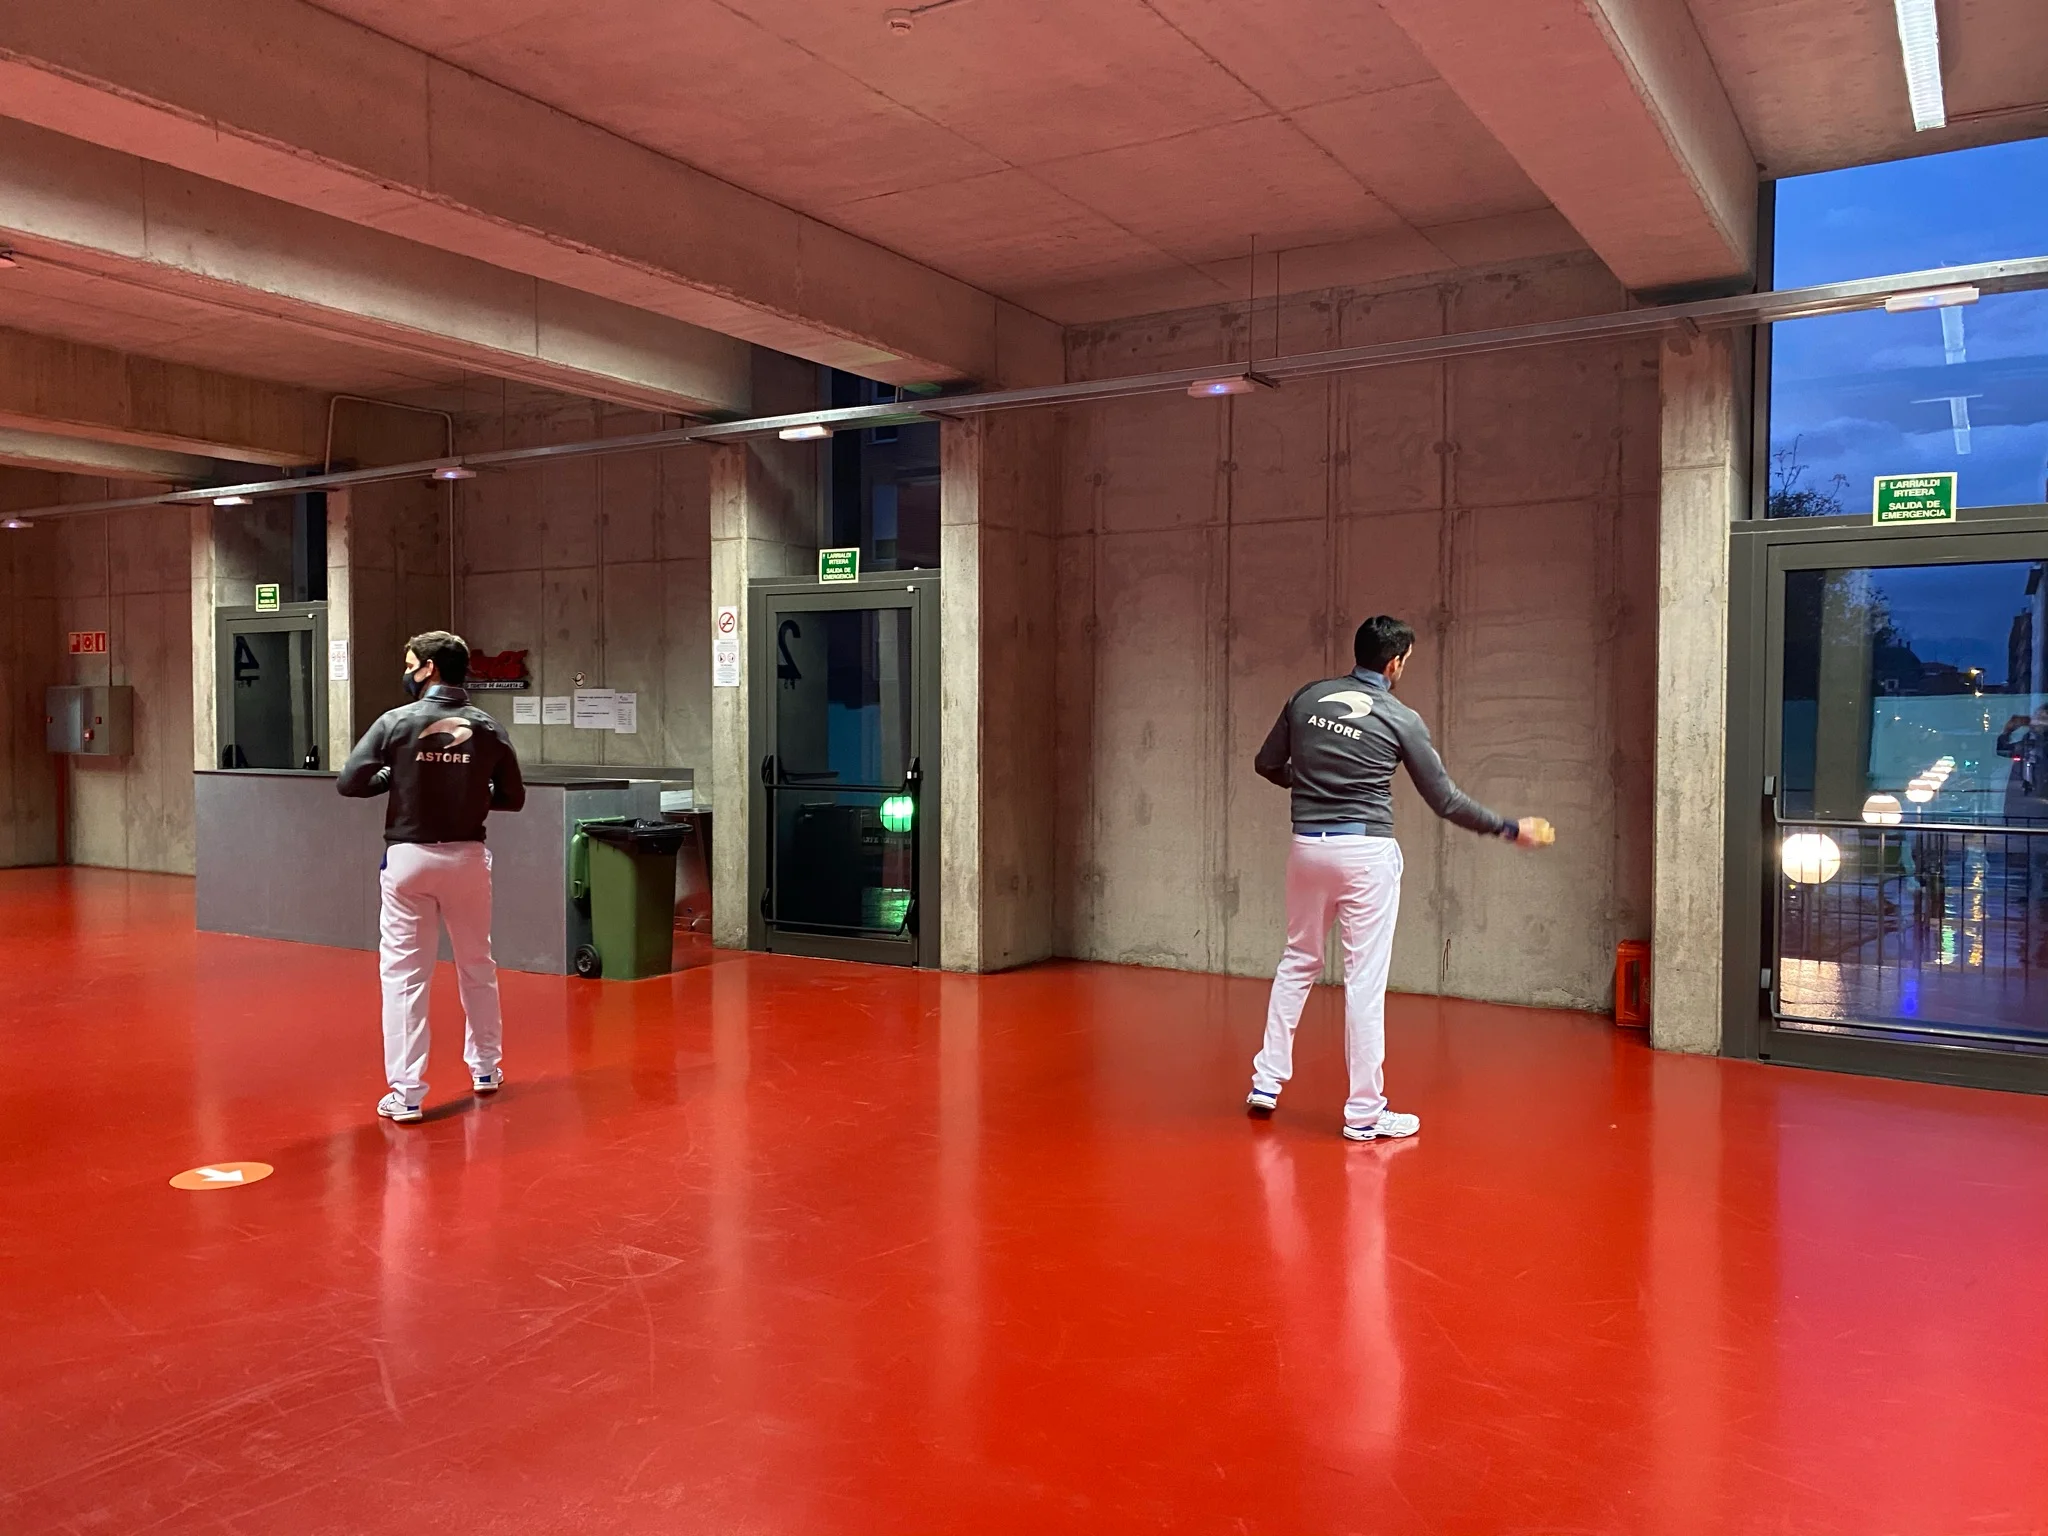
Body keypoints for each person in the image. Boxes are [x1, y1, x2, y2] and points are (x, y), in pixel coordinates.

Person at [1247, 616, 1550, 1141]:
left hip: (1308, 849)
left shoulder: (1306, 697)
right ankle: (1364, 1114)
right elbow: (1445, 800)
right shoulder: (1399, 718)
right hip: (1366, 853)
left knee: (1298, 960)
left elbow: (1267, 763)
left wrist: (1312, 781)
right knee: (1364, 982)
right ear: (1394, 663)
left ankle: (1266, 1081)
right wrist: (1508, 827)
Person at [339, 631, 526, 1124]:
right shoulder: (488, 727)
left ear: (429, 668)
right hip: (467, 859)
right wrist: (470, 790)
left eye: (410, 664)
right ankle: (486, 1068)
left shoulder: (396, 722)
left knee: (405, 975)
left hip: (409, 859)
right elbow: (513, 797)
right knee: (477, 964)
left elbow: (350, 781)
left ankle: (407, 1094)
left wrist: (393, 777)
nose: (407, 672)